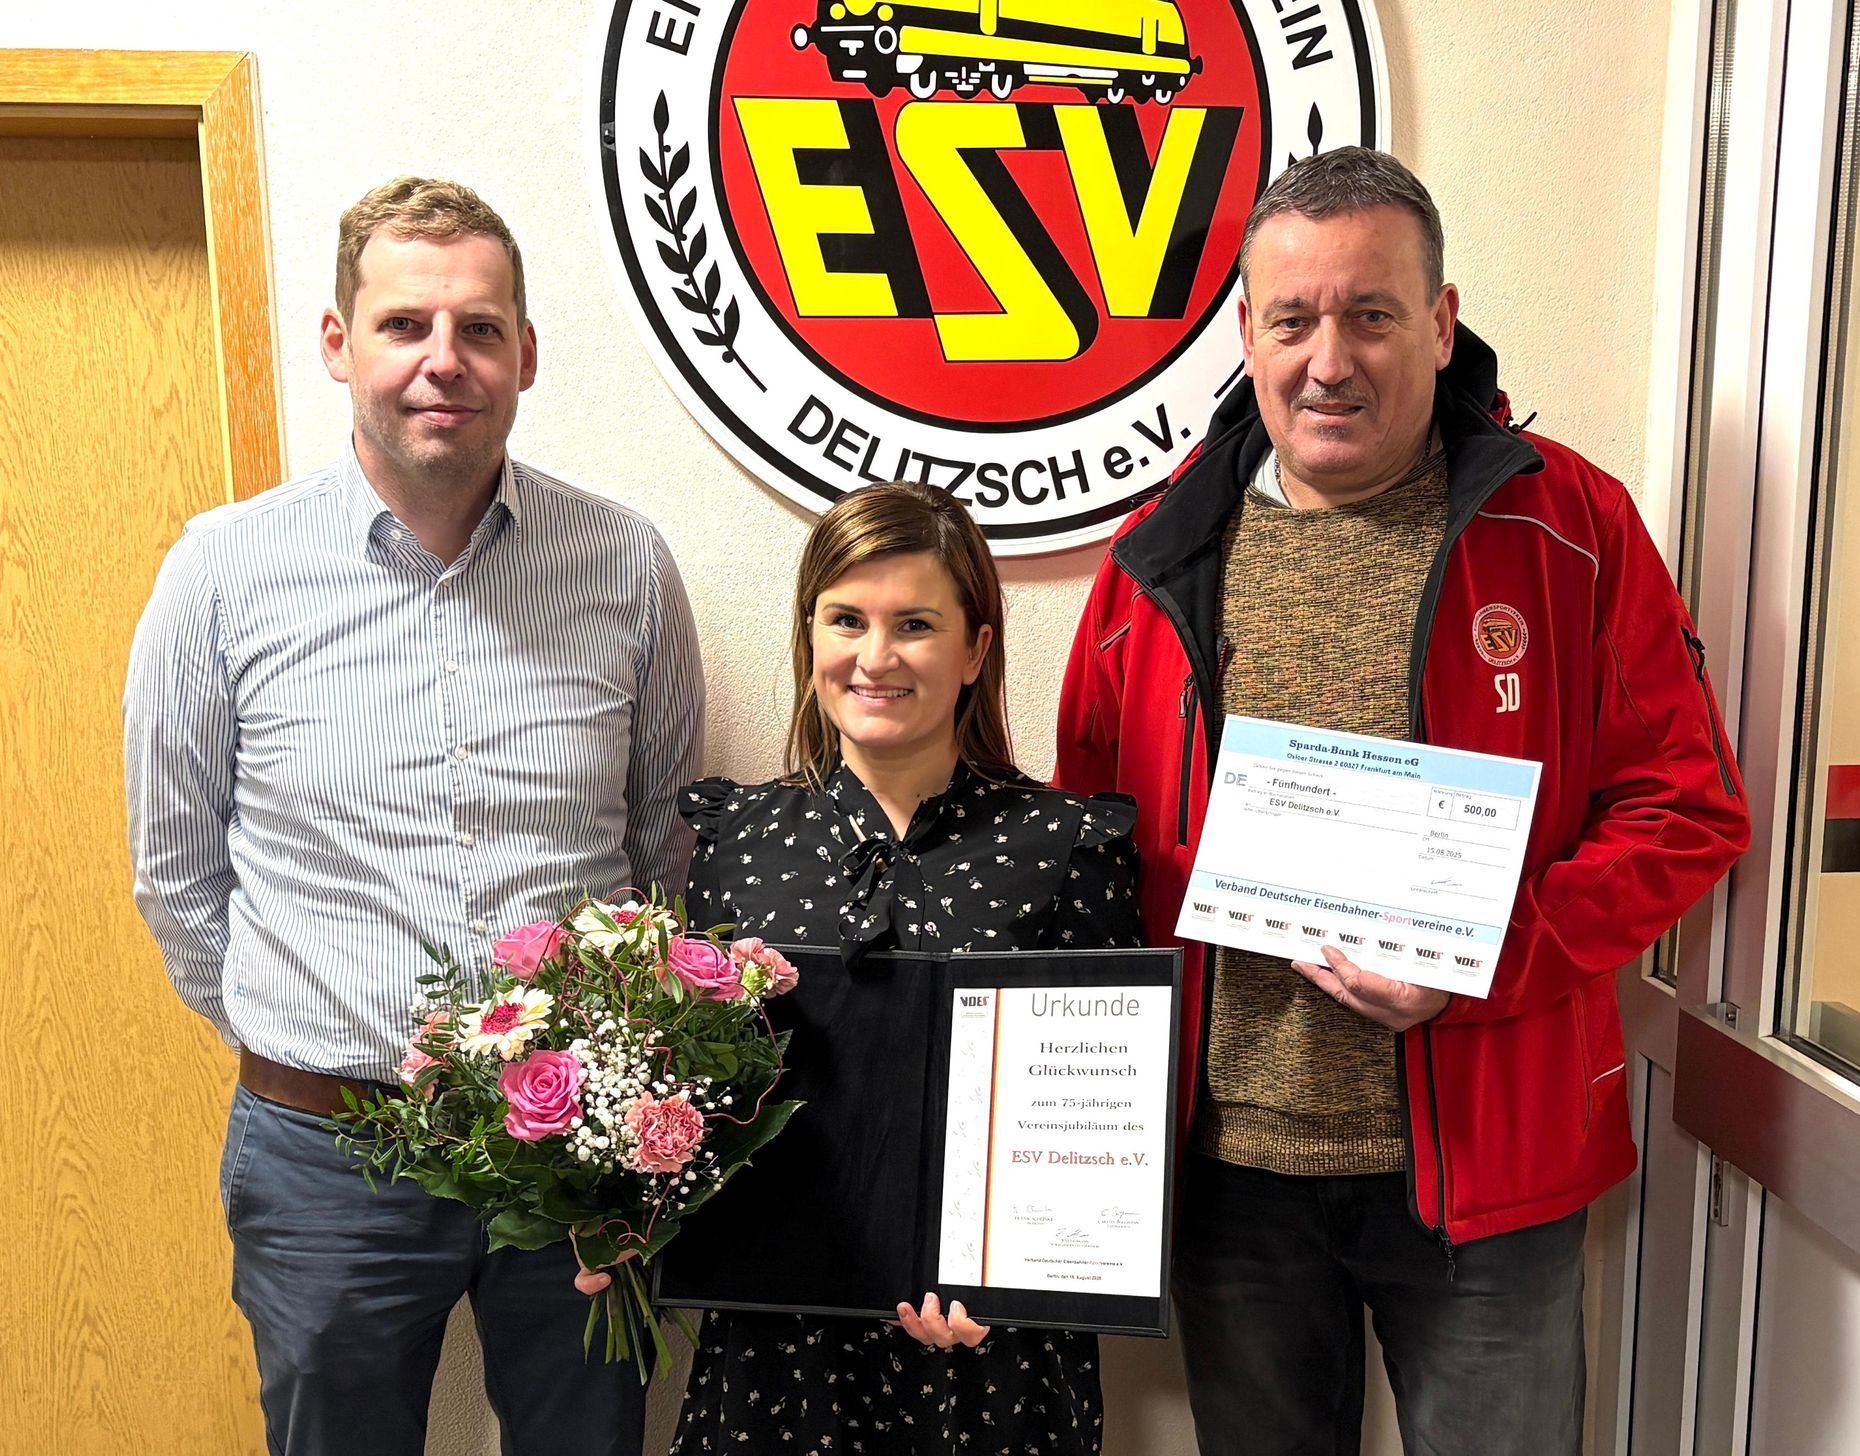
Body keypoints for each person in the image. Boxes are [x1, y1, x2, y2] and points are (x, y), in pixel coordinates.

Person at [1054, 147, 1751, 1454]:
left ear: (1439, 322)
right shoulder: (1159, 552)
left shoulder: (1569, 526)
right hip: (1233, 1181)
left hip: (1491, 1179)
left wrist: (1487, 956)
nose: (1330, 360)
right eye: (1293, 320)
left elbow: (1687, 806)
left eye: (1370, 314)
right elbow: (1088, 841)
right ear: (1248, 334)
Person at [124, 177, 704, 1456]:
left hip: (576, 1153)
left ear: (525, 352)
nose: (444, 360)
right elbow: (175, 873)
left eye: (479, 328)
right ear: (339, 343)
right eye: (404, 325)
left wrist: (610, 1068)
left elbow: (661, 847)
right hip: (325, 1156)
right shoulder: (221, 572)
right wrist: (310, 1038)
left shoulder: (623, 564)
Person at [624, 480, 1141, 1454]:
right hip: (777, 1343)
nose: (875, 657)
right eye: (847, 620)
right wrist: (624, 1217)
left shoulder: (1066, 845)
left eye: (915, 624)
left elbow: (1102, 1111)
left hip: (990, 1348)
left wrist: (1020, 1277)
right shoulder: (736, 840)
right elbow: (701, 1088)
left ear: (975, 650)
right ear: (808, 633)